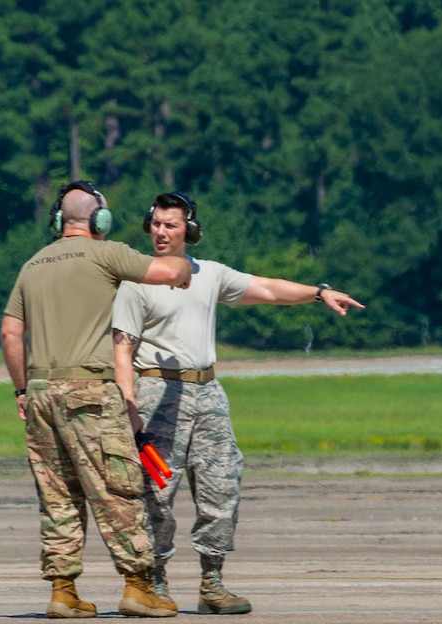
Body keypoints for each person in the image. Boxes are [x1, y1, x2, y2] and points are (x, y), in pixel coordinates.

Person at [112, 192, 364, 615]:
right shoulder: (136, 280)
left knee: (222, 483)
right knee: (154, 491)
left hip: (207, 389)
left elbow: (265, 288)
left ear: (188, 231)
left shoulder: (209, 274)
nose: (160, 231)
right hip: (156, 388)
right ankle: (152, 583)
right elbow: (122, 348)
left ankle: (212, 582)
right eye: (155, 223)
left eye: (170, 225)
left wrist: (319, 293)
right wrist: (129, 404)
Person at [0, 181, 192, 619]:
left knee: (58, 495)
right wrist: (181, 252)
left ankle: (63, 591)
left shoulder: (32, 265)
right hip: (90, 390)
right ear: (98, 220)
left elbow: (11, 333)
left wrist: (21, 389)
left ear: (58, 221)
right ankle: (138, 587)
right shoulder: (106, 253)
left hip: (42, 393)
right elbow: (171, 273)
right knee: (117, 488)